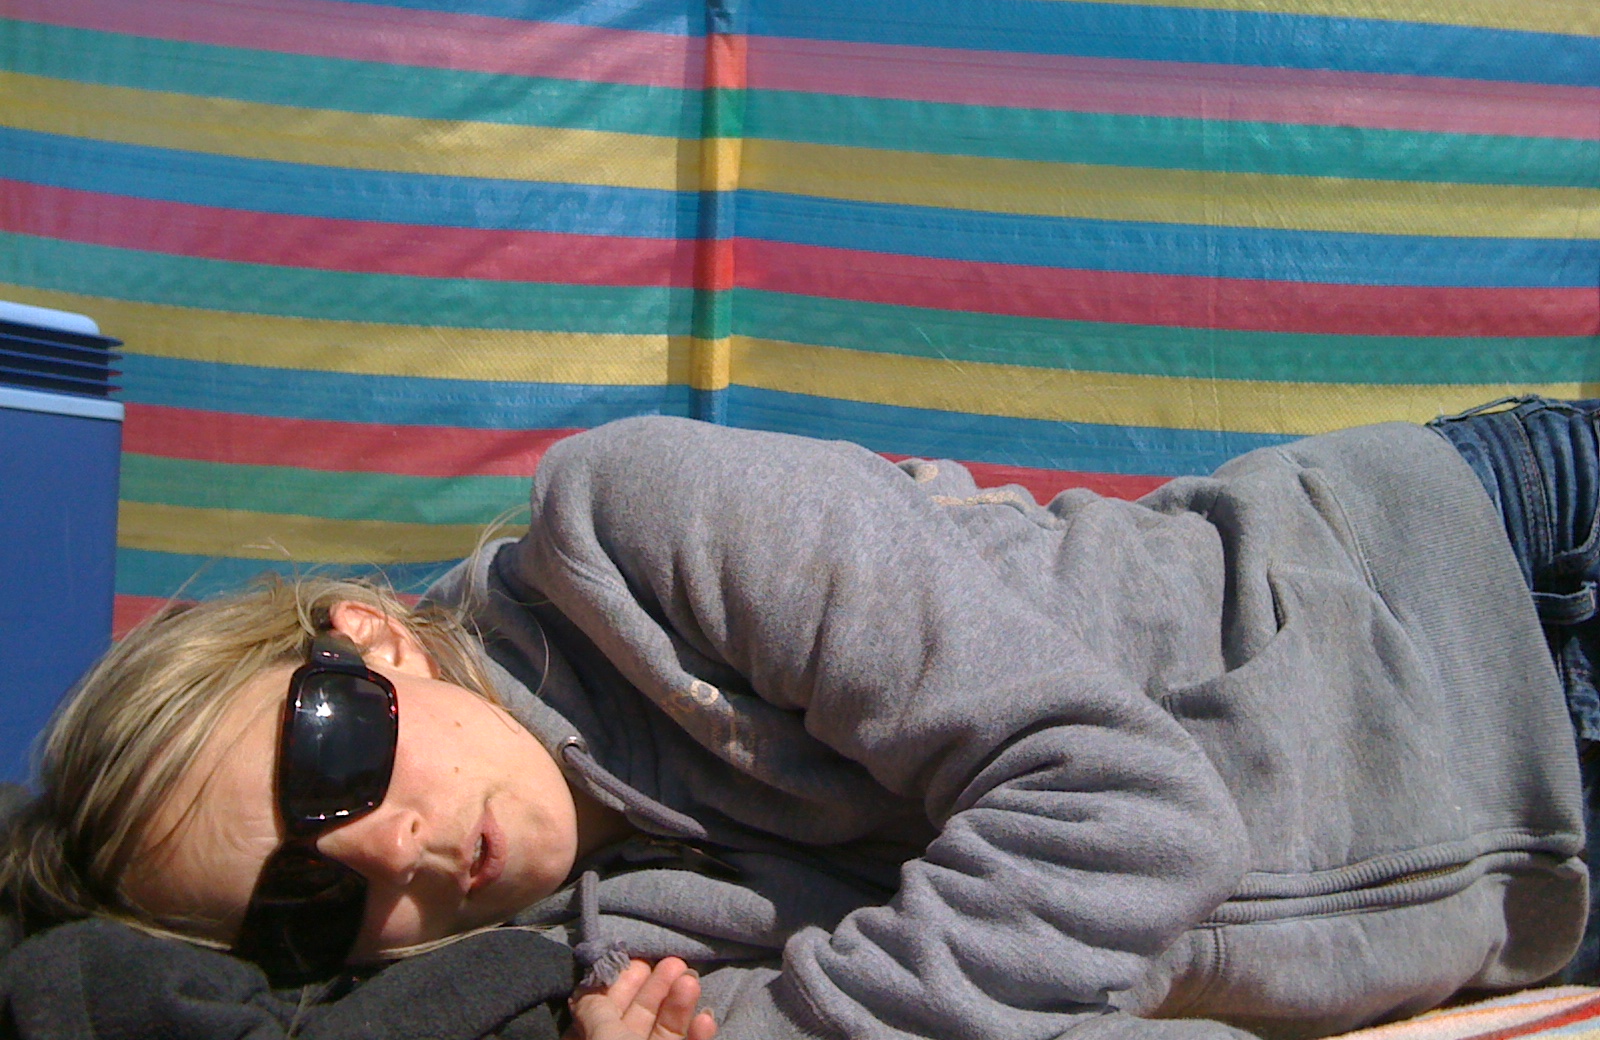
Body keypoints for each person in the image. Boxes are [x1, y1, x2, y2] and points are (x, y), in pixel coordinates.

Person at [3, 399, 1598, 1040]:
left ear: (365, 644)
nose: (393, 854)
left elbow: (1129, 816)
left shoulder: (635, 531)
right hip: (1533, 896)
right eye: (306, 905)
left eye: (329, 768)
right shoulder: (598, 964)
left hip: (1502, 599)